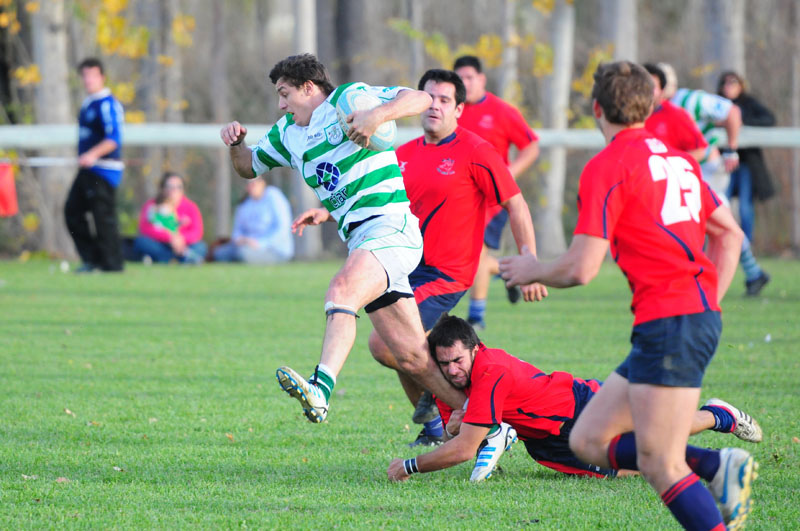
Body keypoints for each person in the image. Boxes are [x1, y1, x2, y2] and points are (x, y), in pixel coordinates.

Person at [499, 62, 753, 529]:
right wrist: (707, 298)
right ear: (650, 104)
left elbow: (582, 268)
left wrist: (533, 268)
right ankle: (718, 466)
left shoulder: (608, 165)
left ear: (597, 108)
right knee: (589, 440)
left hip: (673, 321)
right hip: (677, 320)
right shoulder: (680, 160)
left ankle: (718, 471)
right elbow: (730, 235)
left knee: (659, 463)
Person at [219, 53, 465, 425]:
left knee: (342, 289)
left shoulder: (348, 99)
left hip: (390, 227)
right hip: (361, 238)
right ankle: (481, 417)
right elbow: (247, 167)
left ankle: (321, 390)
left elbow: (421, 98)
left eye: (285, 93)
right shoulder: (287, 132)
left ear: (308, 87)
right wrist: (237, 144)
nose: (280, 103)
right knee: (413, 356)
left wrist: (377, 115)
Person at [367, 69, 546, 458]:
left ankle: (473, 420)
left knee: (385, 343)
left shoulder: (476, 151)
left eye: (444, 99)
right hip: (406, 267)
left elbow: (516, 204)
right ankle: (441, 427)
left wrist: (529, 260)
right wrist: (324, 214)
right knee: (406, 345)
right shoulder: (405, 153)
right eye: (427, 97)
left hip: (447, 273)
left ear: (459, 109)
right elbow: (374, 198)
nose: (433, 105)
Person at [387, 315, 762, 483]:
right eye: (444, 364)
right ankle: (503, 432)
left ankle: (717, 415)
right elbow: (457, 438)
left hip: (580, 406)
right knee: (635, 469)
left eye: (457, 360)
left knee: (659, 437)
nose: (452, 370)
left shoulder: (490, 369)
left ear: (474, 348)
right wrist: (455, 424)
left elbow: (462, 450)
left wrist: (410, 465)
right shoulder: (451, 379)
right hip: (549, 443)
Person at [660, 62, 771, 296]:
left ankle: (697, 282)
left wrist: (731, 149)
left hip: (705, 170)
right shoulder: (657, 108)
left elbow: (732, 111)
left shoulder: (689, 100)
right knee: (721, 224)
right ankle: (752, 273)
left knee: (715, 226)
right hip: (687, 172)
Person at [453, 55, 541, 330]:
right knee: (463, 258)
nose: (464, 83)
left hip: (492, 198)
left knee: (477, 253)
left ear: (481, 79)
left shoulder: (502, 111)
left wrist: (509, 174)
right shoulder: (452, 110)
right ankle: (504, 270)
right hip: (457, 198)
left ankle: (476, 317)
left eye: (469, 78)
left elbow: (531, 146)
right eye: (460, 78)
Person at [64, 57, 125, 272]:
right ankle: (92, 259)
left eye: (93, 75)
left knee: (103, 218)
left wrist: (92, 154)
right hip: (88, 170)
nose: (88, 80)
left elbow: (114, 138)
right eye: (85, 75)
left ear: (102, 77)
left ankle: (112, 265)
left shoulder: (107, 104)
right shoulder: (87, 104)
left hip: (104, 171)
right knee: (72, 212)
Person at [717, 71, 776, 245]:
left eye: (733, 83)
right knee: (720, 204)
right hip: (723, 162)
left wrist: (743, 121)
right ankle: (721, 243)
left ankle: (745, 247)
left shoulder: (748, 103)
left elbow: (769, 119)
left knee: (745, 207)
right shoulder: (717, 104)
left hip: (746, 163)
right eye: (725, 83)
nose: (729, 87)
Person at [212, 176, 294, 264]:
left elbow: (283, 228)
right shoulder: (245, 203)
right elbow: (237, 230)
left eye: (253, 184)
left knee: (242, 254)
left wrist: (260, 243)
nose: (250, 187)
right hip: (245, 246)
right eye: (248, 184)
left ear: (262, 183)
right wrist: (240, 239)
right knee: (219, 253)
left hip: (274, 250)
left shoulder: (274, 197)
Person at [132, 172, 207, 264]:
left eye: (178, 187)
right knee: (141, 242)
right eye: (170, 186)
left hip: (184, 245)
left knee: (200, 246)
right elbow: (145, 229)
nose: (174, 190)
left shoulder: (191, 207)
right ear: (163, 188)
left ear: (183, 190)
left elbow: (197, 232)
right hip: (160, 243)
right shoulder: (152, 205)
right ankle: (176, 258)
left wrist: (181, 239)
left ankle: (173, 258)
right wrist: (170, 238)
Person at [643, 63, 709, 162]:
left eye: (652, 87)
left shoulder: (675, 115)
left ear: (662, 90)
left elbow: (699, 151)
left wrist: (670, 166)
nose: (647, 91)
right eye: (642, 86)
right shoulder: (627, 117)